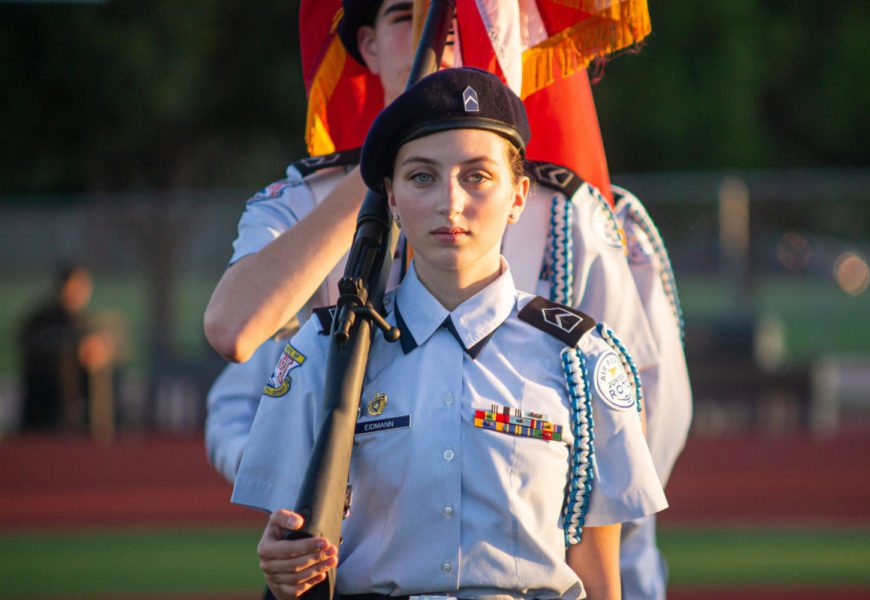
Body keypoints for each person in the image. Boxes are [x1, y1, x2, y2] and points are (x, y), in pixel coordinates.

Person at [205, 1, 691, 598]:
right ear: (368, 43)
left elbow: (623, 414)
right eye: (407, 14)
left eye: (465, 11)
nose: (446, 28)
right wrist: (378, 173)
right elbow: (233, 329)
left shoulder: (563, 207)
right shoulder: (308, 197)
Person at [18, 264, 113, 432]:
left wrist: (96, 351)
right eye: (76, 286)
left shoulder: (85, 320)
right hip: (48, 385)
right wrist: (73, 349)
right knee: (65, 364)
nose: (81, 291)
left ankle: (101, 427)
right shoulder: (42, 318)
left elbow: (106, 344)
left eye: (84, 286)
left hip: (82, 383)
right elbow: (29, 341)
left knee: (101, 367)